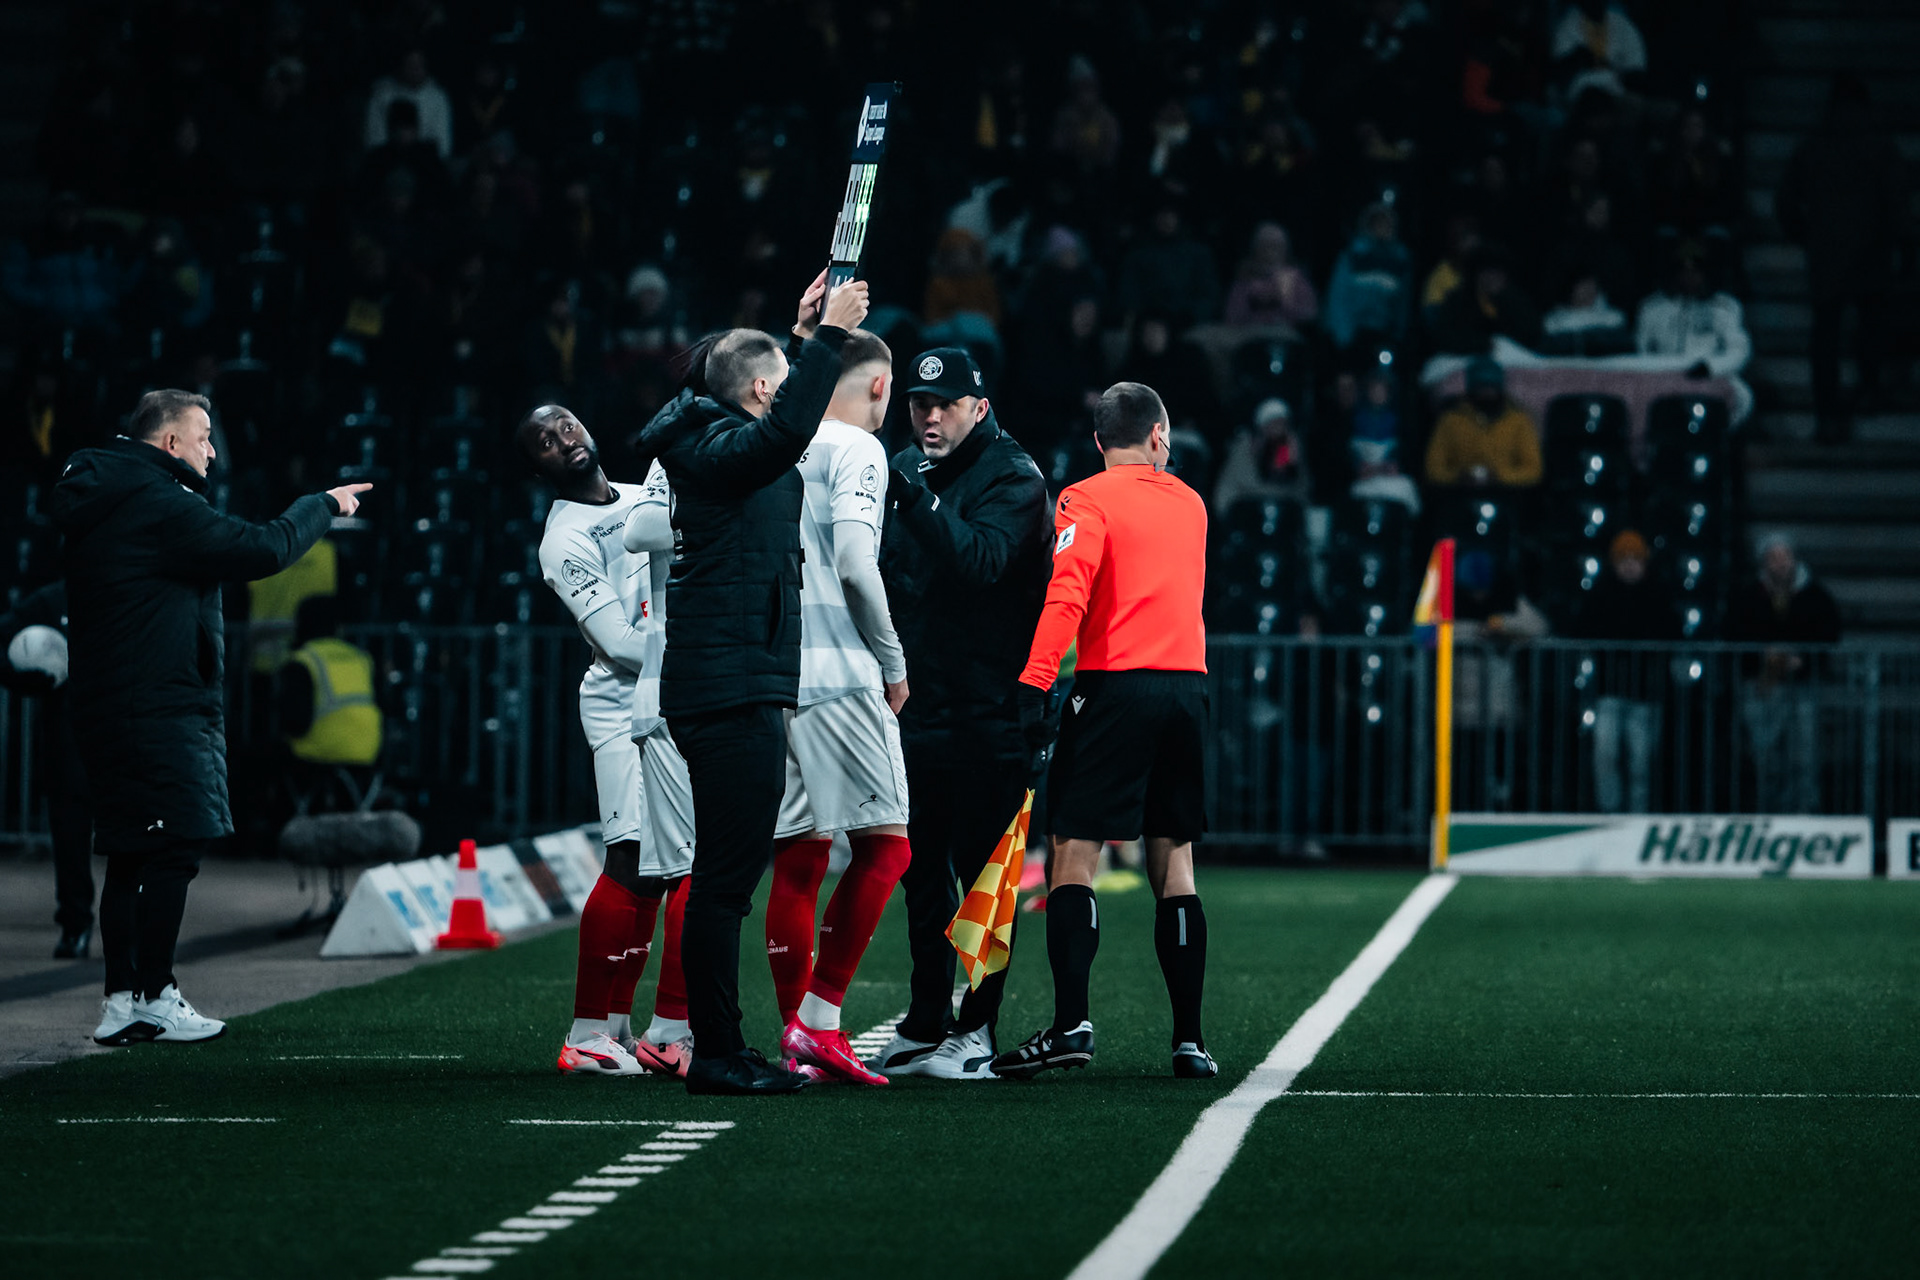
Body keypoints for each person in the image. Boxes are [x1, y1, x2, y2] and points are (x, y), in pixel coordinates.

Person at [51, 390, 370, 1046]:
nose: (213, 451)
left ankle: (123, 1002)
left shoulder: (109, 495)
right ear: (170, 443)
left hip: (113, 704)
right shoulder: (157, 502)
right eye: (203, 437)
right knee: (174, 845)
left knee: (132, 851)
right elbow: (262, 550)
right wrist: (322, 505)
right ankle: (154, 994)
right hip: (155, 707)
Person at [630, 270, 869, 1095]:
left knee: (725, 882)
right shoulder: (714, 446)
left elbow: (773, 432)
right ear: (763, 390)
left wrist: (801, 337)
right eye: (783, 378)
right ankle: (718, 1054)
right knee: (724, 885)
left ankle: (723, 1047)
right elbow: (779, 440)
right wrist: (829, 340)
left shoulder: (715, 437)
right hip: (727, 686)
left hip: (739, 679)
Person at [992, 381, 1217, 1082]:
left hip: (1115, 687)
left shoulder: (1084, 498)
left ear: (1098, 442)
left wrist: (1034, 682)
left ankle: (1071, 1027)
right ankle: (1190, 1042)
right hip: (1188, 690)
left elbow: (1068, 593)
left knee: (1073, 851)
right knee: (1174, 862)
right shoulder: (1192, 503)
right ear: (1158, 436)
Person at [873, 346, 1050, 1079]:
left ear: (980, 407)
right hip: (919, 705)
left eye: (945, 405)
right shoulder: (906, 468)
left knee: (985, 879)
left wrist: (911, 496)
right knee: (918, 873)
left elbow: (978, 562)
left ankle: (976, 1029)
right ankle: (925, 1019)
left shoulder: (1015, 476)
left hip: (990, 711)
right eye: (920, 404)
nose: (931, 416)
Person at [519, 403, 696, 1078]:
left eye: (566, 426)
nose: (562, 440)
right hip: (624, 703)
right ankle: (585, 1032)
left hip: (669, 693)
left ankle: (618, 1025)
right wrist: (699, 647)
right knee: (628, 858)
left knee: (654, 871)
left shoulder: (638, 494)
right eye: (544, 442)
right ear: (536, 468)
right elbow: (619, 643)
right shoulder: (563, 540)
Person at [761, 330, 913, 1087]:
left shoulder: (775, 443)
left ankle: (796, 1031)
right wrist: (893, 660)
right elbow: (856, 563)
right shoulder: (859, 448)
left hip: (777, 675)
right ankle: (819, 1022)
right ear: (881, 386)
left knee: (800, 858)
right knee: (887, 849)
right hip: (841, 674)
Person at [1777, 74, 1910, 439]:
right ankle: (1869, 389)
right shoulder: (1881, 147)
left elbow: (1785, 203)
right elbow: (1898, 203)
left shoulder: (1813, 146)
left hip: (1827, 253)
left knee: (1826, 337)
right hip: (1872, 251)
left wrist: (1805, 235)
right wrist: (1903, 247)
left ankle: (1828, 414)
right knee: (1870, 327)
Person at [0, 582, 92, 959]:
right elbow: (2, 641)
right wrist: (21, 677)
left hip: (121, 726)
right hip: (69, 731)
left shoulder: (127, 589)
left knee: (132, 832)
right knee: (70, 829)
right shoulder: (54, 598)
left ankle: (132, 926)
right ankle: (75, 921)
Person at [1725, 535, 1842, 813]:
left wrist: (1802, 658)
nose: (1780, 563)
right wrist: (1763, 653)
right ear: (1764, 562)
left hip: (1803, 684)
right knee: (1766, 754)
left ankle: (1805, 813)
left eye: (1784, 556)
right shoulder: (1749, 595)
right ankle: (1770, 812)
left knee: (1804, 753)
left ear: (1794, 559)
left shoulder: (1815, 595)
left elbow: (1830, 631)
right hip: (1763, 684)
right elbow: (1734, 631)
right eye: (1773, 557)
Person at [1571, 531, 1678, 813]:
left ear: (1644, 563)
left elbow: (1671, 632)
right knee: (1604, 755)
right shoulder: (1601, 594)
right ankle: (1610, 814)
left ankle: (1637, 816)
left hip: (1646, 694)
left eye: (1635, 559)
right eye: (1623, 560)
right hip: (1608, 691)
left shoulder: (1658, 594)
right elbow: (1584, 629)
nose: (1629, 565)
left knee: (1641, 762)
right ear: (1614, 563)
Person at [1424, 357, 1543, 490]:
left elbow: (1533, 469)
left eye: (1491, 388)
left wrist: (1500, 476)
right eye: (1481, 388)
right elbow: (1434, 468)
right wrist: (1459, 477)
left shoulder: (1518, 421)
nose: (1486, 393)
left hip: (1507, 493)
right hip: (1460, 493)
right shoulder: (1451, 420)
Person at [1635, 251, 1752, 377]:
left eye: (1695, 272)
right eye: (1684, 272)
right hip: (1662, 375)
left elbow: (1739, 350)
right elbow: (1641, 348)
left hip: (1709, 375)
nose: (1689, 277)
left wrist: (1711, 367)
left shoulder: (1724, 307)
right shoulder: (1652, 307)